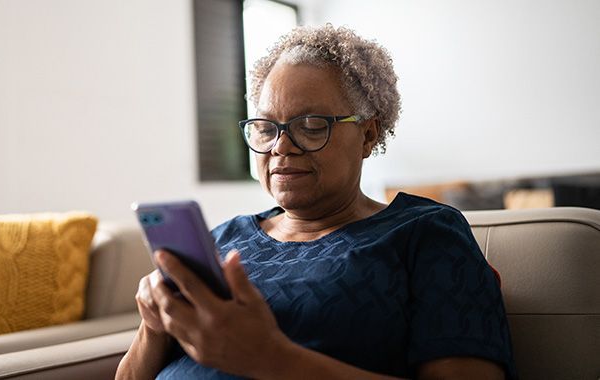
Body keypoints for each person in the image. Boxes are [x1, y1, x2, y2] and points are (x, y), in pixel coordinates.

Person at [116, 24, 516, 379]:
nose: (281, 147)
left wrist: (270, 359)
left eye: (310, 126)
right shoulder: (220, 241)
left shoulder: (425, 234)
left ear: (368, 134)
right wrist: (153, 327)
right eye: (266, 127)